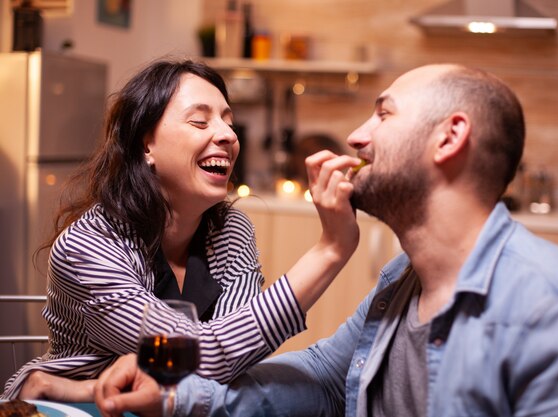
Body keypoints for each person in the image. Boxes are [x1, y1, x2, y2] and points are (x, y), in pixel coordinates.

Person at [94, 63, 558, 417]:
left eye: (383, 113)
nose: (355, 136)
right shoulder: (401, 281)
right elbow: (327, 375)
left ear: (450, 137)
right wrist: (176, 398)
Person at [1, 58, 361, 400]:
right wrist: (330, 249)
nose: (227, 135)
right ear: (147, 144)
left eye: (228, 121)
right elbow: (208, 356)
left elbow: (231, 361)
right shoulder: (89, 246)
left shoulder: (231, 230)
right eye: (200, 122)